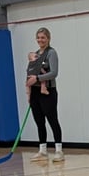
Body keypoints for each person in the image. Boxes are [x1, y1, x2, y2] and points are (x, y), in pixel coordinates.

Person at [25, 27, 63, 162]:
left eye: (43, 38)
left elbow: (54, 73)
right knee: (39, 122)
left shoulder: (51, 53)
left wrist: (38, 79)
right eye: (39, 37)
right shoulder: (34, 54)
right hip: (35, 92)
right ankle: (43, 151)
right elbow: (30, 72)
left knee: (52, 120)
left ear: (48, 39)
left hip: (48, 92)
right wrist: (28, 90)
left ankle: (59, 151)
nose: (40, 40)